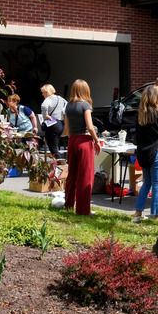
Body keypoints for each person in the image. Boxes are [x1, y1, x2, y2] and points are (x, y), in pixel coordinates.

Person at [131, 86, 158, 224]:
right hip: (155, 152)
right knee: (157, 184)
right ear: (155, 99)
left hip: (143, 152)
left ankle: (138, 213)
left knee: (147, 183)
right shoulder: (156, 114)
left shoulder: (141, 114)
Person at [62, 79, 101, 215]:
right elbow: (90, 126)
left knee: (72, 174)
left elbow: (67, 127)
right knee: (85, 175)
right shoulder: (85, 105)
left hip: (72, 140)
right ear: (85, 90)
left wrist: (72, 137)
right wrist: (96, 140)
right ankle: (83, 210)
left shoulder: (68, 106)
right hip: (84, 141)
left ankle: (68, 204)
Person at [39, 84, 66, 159]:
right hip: (60, 124)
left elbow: (44, 106)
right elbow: (67, 106)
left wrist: (45, 115)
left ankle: (61, 164)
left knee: (53, 149)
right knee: (55, 146)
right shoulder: (61, 98)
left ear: (46, 92)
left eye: (43, 92)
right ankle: (59, 164)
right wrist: (62, 115)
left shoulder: (48, 99)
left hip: (52, 124)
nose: (42, 94)